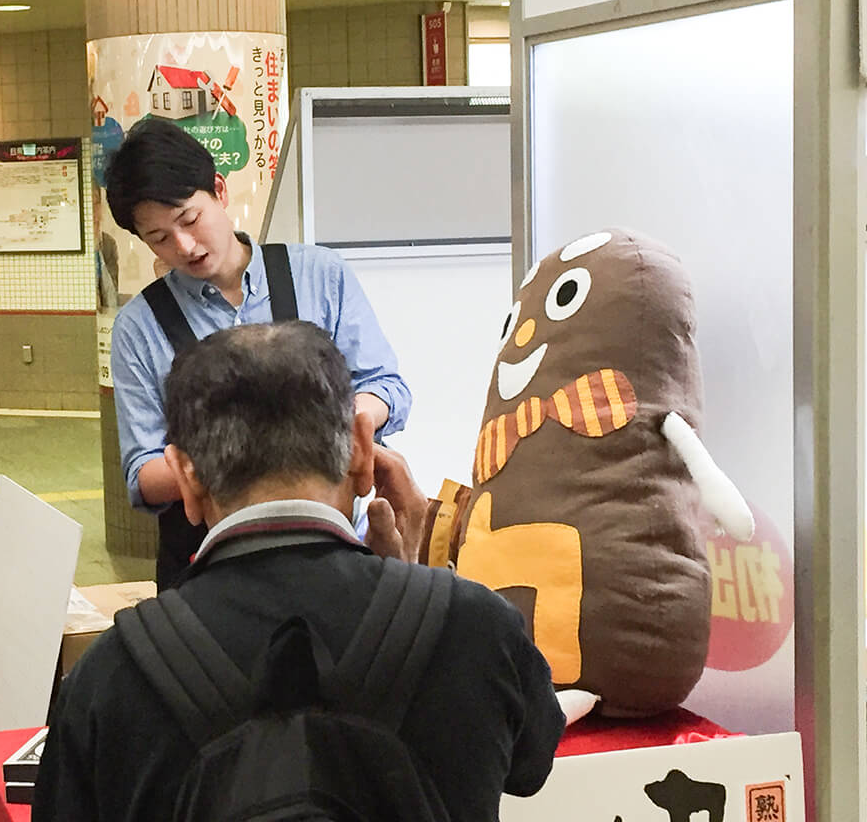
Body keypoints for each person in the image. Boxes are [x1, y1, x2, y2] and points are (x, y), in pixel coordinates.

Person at [33, 322, 563, 821]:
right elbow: (530, 765)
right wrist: (418, 581)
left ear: (186, 478)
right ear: (361, 449)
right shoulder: (475, 626)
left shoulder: (111, 675)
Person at [105, 117, 412, 587]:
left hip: (343, 557)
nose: (184, 246)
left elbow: (386, 388)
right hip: (207, 574)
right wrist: (265, 452)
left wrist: (331, 422)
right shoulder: (139, 328)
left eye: (190, 218)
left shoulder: (320, 274)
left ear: (220, 191)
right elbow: (143, 473)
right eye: (159, 238)